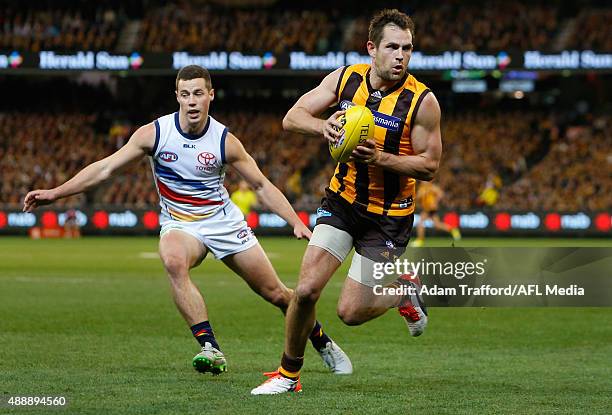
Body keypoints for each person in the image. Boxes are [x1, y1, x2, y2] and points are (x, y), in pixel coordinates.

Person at [23, 65, 352, 377]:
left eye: (198, 93)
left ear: (211, 95)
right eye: (185, 94)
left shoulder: (225, 141)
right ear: (177, 96)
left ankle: (322, 341)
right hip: (180, 224)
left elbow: (261, 185)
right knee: (173, 261)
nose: (192, 101)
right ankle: (210, 347)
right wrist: (57, 192)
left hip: (223, 223)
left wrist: (293, 220)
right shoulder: (155, 133)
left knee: (279, 295)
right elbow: (106, 167)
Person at [252, 9, 442, 395]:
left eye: (407, 48)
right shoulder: (345, 78)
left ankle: (403, 291)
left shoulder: (422, 102)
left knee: (350, 313)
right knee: (305, 290)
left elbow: (430, 166)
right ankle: (289, 376)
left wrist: (382, 159)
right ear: (371, 48)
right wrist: (325, 126)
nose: (401, 56)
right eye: (392, 47)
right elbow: (292, 117)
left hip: (388, 218)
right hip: (342, 202)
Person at [412, 181, 461, 247]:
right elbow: (418, 198)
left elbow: (440, 194)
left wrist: (435, 201)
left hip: (430, 208)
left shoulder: (430, 187)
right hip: (427, 208)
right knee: (437, 225)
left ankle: (420, 240)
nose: (422, 181)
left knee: (420, 223)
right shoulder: (422, 188)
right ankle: (452, 229)